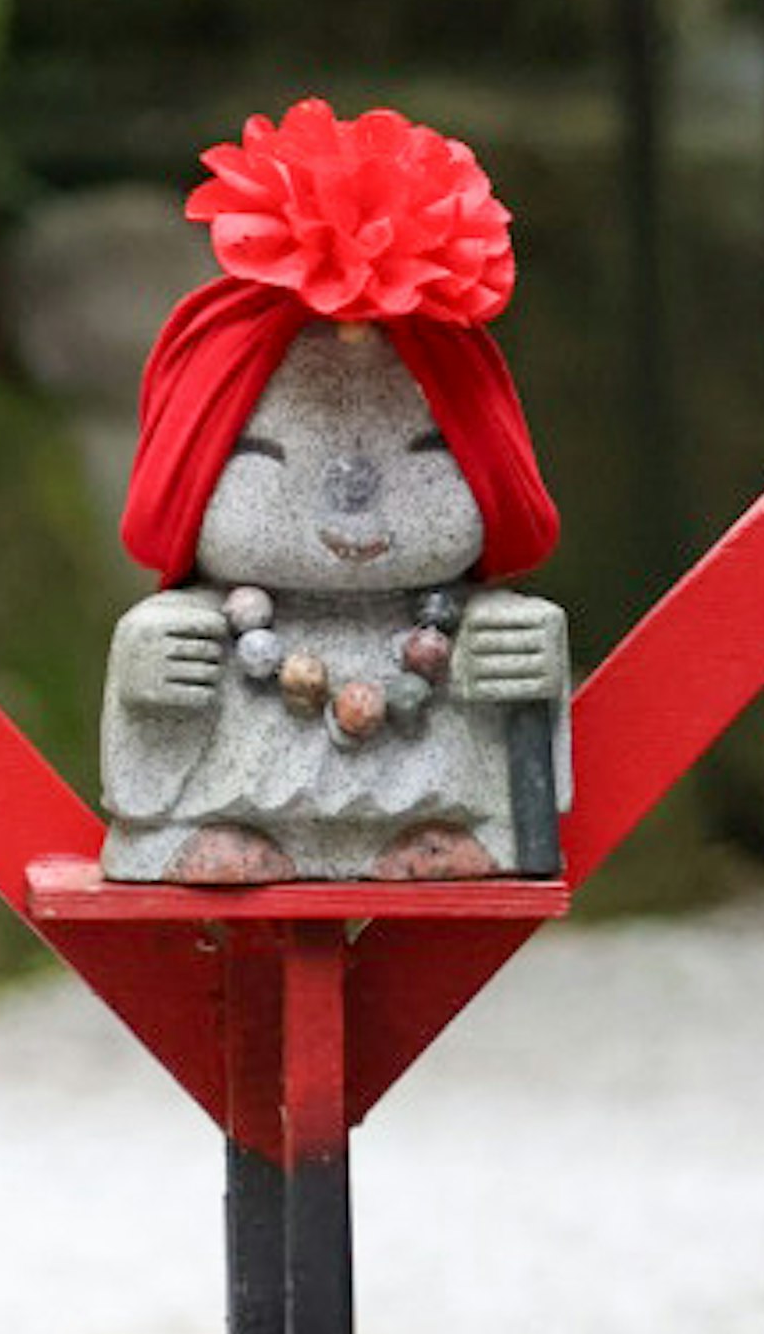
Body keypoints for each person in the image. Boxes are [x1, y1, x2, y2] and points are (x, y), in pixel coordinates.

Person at [99, 100, 572, 885]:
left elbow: (520, 704)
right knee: (163, 655)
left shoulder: (451, 615)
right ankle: (214, 834)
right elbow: (150, 703)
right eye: (269, 461)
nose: (351, 510)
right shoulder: (218, 617)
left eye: (424, 458)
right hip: (242, 768)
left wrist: (529, 652)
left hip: (425, 757)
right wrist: (145, 670)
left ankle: (447, 829)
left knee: (508, 652)